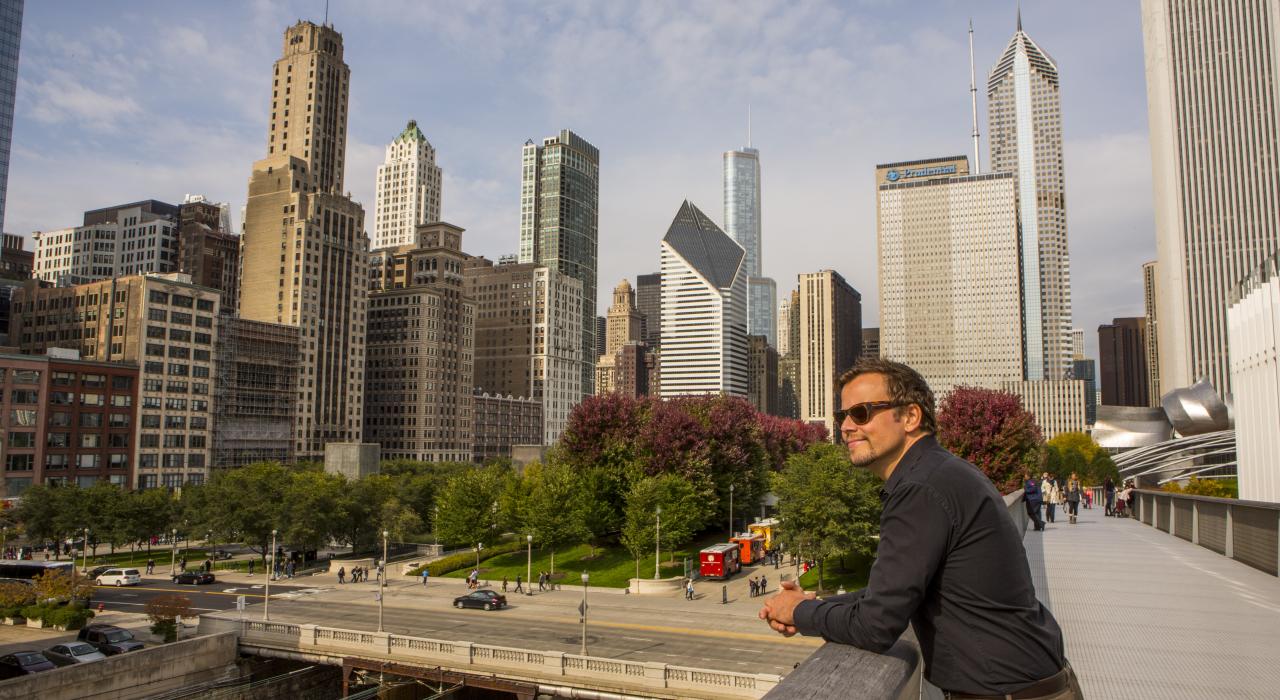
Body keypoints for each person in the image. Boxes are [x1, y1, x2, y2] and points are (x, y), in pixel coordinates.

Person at [759, 358, 1078, 699]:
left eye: (862, 413)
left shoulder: (921, 488)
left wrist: (797, 611)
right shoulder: (939, 472)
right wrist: (811, 602)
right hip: (1029, 683)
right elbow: (893, 594)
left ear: (911, 416)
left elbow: (876, 625)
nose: (846, 427)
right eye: (843, 416)